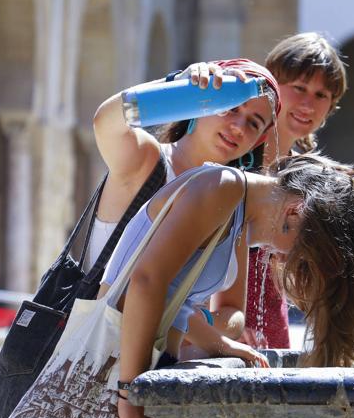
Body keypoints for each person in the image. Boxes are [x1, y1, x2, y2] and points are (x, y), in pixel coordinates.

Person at [97, 153, 354, 418]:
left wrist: (220, 344)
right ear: (295, 211)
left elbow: (171, 301)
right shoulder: (221, 187)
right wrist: (130, 392)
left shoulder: (237, 211)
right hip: (115, 371)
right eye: (303, 253)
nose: (290, 260)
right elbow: (145, 281)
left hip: (138, 369)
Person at [89, 58, 281, 343]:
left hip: (165, 372)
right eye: (229, 107)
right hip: (92, 354)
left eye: (253, 123)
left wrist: (189, 324)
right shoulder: (147, 161)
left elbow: (232, 312)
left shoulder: (234, 201)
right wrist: (177, 87)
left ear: (257, 141)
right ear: (201, 102)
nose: (238, 127)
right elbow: (105, 121)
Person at [224, 32, 348, 349]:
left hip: (272, 330)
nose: (308, 103)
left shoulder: (305, 177)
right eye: (299, 88)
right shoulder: (232, 152)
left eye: (322, 95)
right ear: (273, 86)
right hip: (219, 327)